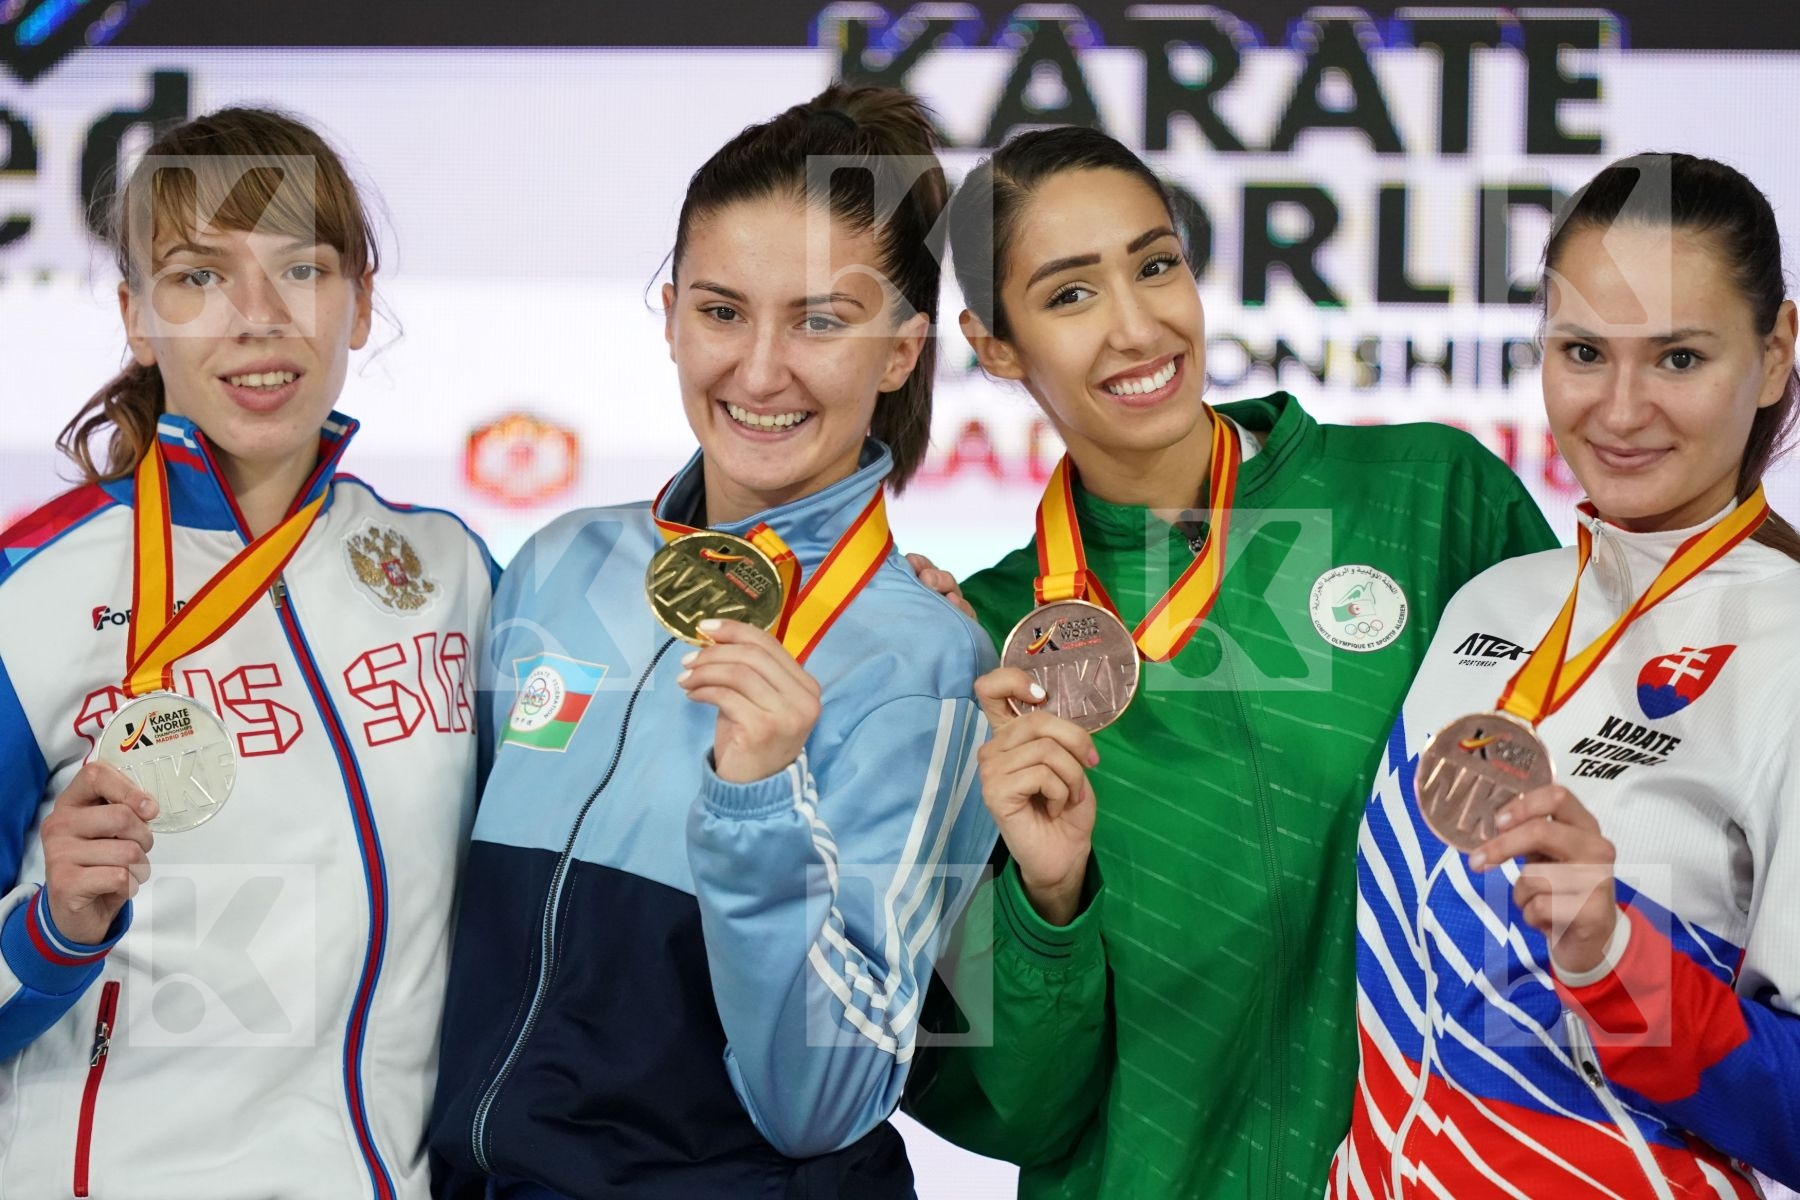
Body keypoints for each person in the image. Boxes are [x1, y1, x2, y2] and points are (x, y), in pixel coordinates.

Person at [902, 126, 1559, 1198]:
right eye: (1071, 295)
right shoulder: (985, 645)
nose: (1137, 325)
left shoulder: (1429, 498)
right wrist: (1048, 902)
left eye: (1156, 265)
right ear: (996, 344)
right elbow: (1017, 1109)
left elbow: (1599, 842)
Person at [427, 84, 997, 1200]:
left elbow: (824, 1101)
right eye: (723, 311)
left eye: (821, 322)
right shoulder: (560, 565)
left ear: (899, 352)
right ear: (671, 314)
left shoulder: (926, 664)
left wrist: (759, 805)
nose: (761, 370)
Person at [0, 109, 495, 1198]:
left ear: (359, 301)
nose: (260, 318)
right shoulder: (27, 596)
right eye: (199, 277)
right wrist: (52, 930)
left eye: (302, 270)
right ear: (136, 318)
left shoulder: (451, 573)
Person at [1327, 153, 1800, 1197]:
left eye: (1678, 358)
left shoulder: (1791, 651)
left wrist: (1616, 956)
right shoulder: (1493, 602)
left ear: (1774, 355)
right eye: (1584, 352)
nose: (1620, 411)